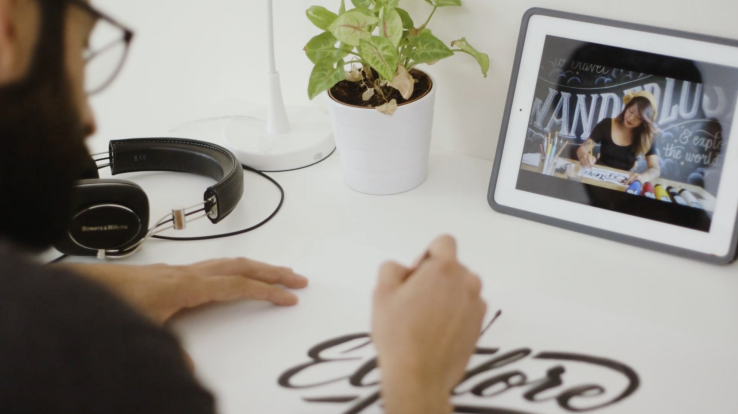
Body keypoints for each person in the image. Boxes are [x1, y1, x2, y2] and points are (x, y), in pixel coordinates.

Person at [0, 1, 487, 414]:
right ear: (8, 30)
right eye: (83, 54)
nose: (88, 120)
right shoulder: (91, 362)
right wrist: (417, 379)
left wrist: (82, 287)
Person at [577, 91, 661, 185]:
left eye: (638, 117)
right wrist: (584, 156)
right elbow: (583, 148)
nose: (631, 118)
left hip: (624, 180)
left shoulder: (646, 135)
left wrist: (644, 177)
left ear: (644, 121)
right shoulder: (606, 124)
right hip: (598, 175)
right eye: (631, 111)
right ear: (627, 107)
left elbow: (655, 168)